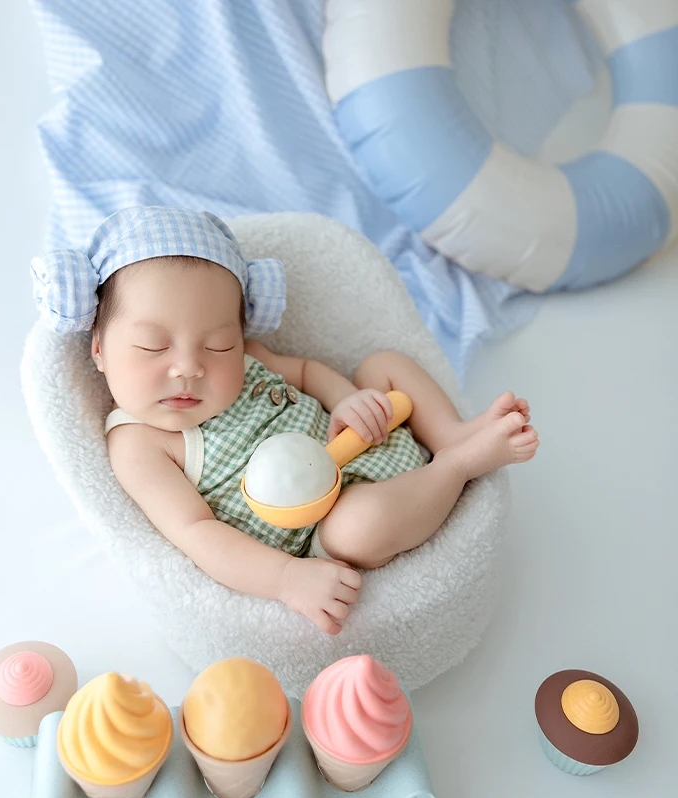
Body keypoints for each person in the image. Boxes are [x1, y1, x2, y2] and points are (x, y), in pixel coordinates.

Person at [31, 206, 538, 635]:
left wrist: (347, 400)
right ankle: (457, 465)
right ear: (99, 349)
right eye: (152, 346)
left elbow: (306, 371)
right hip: (332, 515)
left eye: (217, 345)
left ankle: (449, 433)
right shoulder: (139, 443)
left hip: (368, 434)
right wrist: (286, 579)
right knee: (358, 529)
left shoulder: (249, 358)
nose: (188, 367)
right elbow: (197, 532)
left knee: (383, 365)